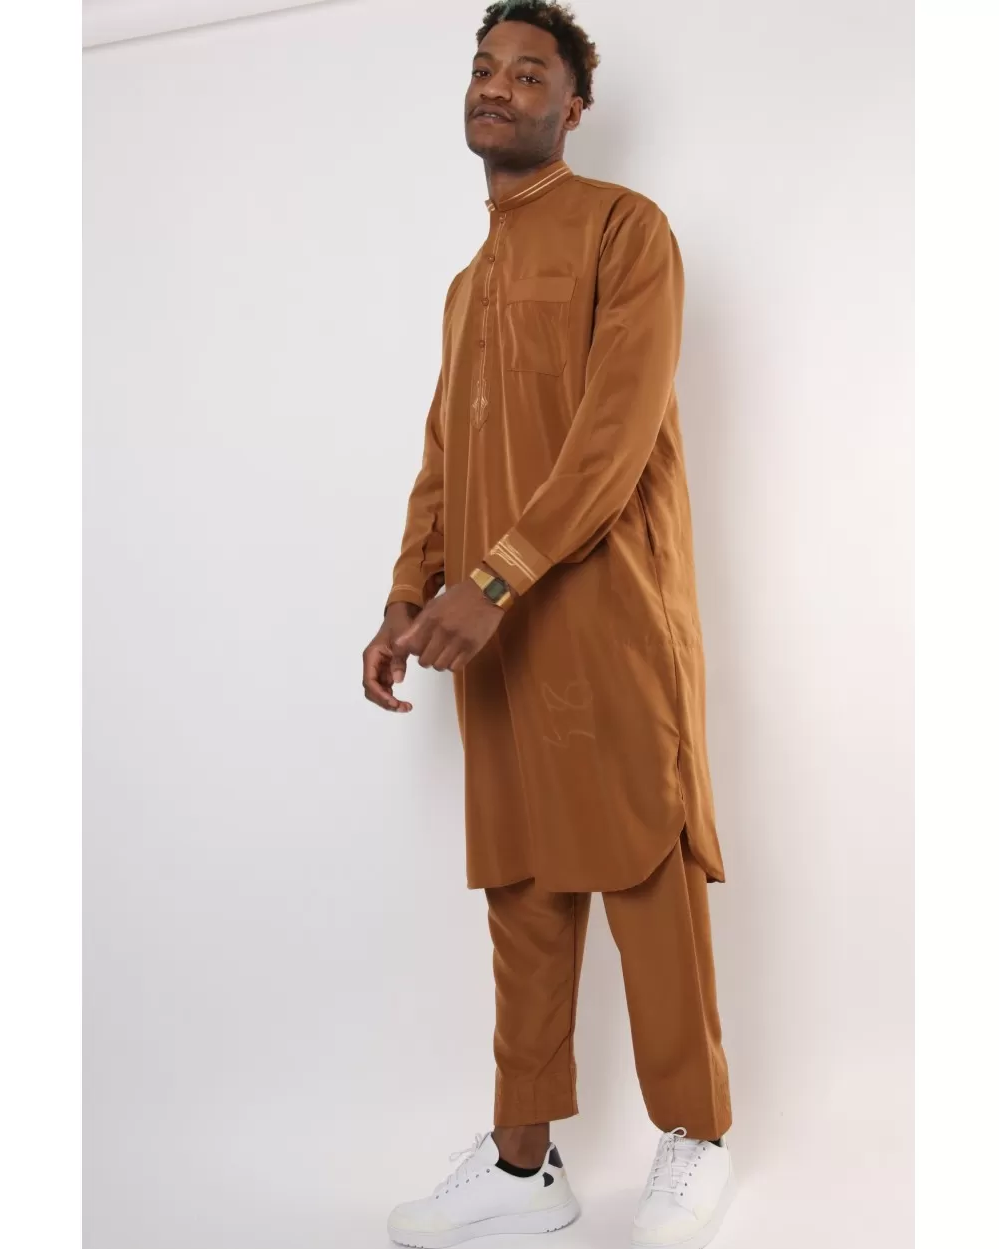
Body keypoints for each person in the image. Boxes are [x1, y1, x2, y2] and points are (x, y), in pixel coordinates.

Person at [361, 3, 734, 1245]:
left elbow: (613, 437)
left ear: (574, 107)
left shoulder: (626, 230)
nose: (498, 87)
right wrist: (406, 595)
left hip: (604, 615)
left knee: (641, 864)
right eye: (485, 69)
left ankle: (696, 1138)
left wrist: (493, 581)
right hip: (491, 636)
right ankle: (525, 1164)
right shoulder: (467, 286)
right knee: (519, 886)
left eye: (529, 74)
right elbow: (442, 459)